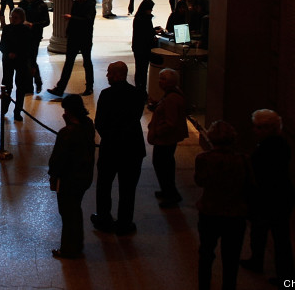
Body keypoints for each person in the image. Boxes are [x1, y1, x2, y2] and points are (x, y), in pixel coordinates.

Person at [90, 62, 147, 236]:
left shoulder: (106, 95)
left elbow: (99, 122)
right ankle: (124, 222)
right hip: (133, 148)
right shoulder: (138, 94)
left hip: (111, 148)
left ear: (116, 74)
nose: (107, 76)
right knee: (128, 189)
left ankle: (104, 218)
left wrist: (110, 135)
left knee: (104, 186)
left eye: (109, 73)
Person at [194, 120, 252, 290]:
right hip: (235, 214)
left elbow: (199, 181)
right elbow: (249, 184)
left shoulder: (203, 159)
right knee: (231, 258)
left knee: (206, 253)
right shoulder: (243, 160)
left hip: (209, 211)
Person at [240, 109, 295, 283]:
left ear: (268, 128)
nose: (254, 131)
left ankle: (285, 276)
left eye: (258, 127)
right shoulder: (277, 143)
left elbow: (264, 173)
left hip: (271, 198)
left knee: (278, 238)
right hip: (277, 196)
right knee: (262, 232)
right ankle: (258, 261)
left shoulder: (271, 146)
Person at [48, 94, 95, 259]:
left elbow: (58, 160)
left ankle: (68, 248)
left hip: (69, 179)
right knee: (75, 210)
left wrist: (53, 178)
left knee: (68, 213)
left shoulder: (66, 133)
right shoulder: (88, 124)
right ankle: (77, 243)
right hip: (84, 176)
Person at [147, 68, 189, 208]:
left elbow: (170, 122)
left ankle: (171, 194)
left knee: (162, 166)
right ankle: (167, 191)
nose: (160, 82)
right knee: (165, 165)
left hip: (166, 139)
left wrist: (156, 132)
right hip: (168, 138)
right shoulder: (172, 94)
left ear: (170, 82)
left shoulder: (171, 98)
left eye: (163, 79)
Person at [48, 0, 96, 97]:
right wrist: (68, 32)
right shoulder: (76, 3)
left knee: (87, 62)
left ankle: (89, 87)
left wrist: (72, 18)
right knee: (69, 63)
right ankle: (60, 88)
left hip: (85, 37)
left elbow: (88, 21)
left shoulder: (89, 5)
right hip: (74, 37)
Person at [0, 8, 33, 122]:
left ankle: (17, 111)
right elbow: (1, 45)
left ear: (21, 18)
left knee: (20, 87)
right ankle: (4, 109)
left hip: (20, 61)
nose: (12, 19)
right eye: (12, 17)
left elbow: (28, 47)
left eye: (15, 18)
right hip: (8, 60)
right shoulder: (7, 28)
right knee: (7, 85)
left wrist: (16, 54)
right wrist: (9, 53)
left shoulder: (26, 30)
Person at [19, 0, 50, 93]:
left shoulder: (41, 5)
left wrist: (33, 25)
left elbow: (46, 22)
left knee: (32, 60)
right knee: (25, 61)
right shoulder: (22, 3)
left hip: (35, 36)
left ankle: (37, 81)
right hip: (23, 35)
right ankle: (29, 86)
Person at [131, 0, 158, 89]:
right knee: (142, 70)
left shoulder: (139, 17)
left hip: (138, 48)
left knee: (140, 69)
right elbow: (146, 33)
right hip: (142, 49)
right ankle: (141, 89)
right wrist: (155, 31)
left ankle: (140, 89)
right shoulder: (143, 19)